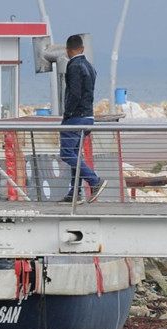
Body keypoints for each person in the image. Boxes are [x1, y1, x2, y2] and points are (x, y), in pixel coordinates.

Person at [59, 34, 107, 203]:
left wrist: (67, 113)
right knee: (75, 155)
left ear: (67, 50)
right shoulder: (89, 66)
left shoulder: (74, 66)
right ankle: (75, 193)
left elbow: (75, 93)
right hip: (88, 116)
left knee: (66, 153)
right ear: (83, 48)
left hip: (76, 117)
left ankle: (94, 181)